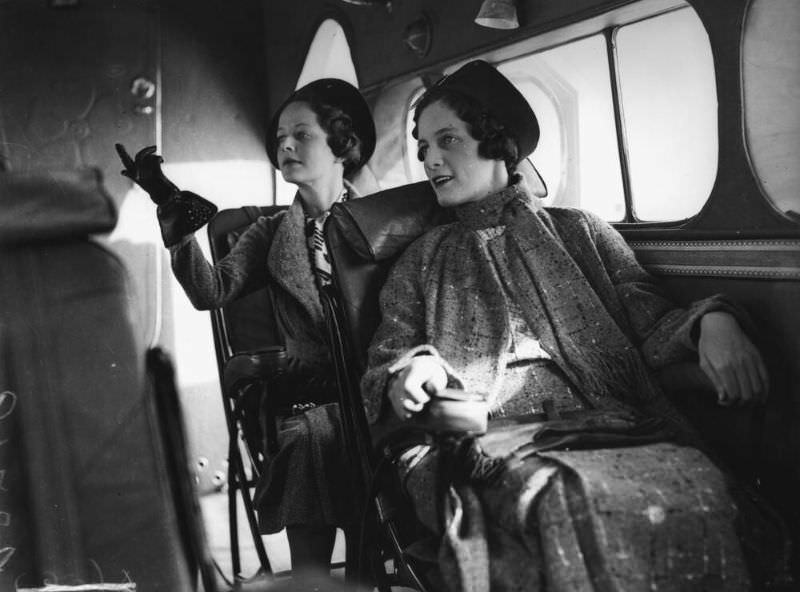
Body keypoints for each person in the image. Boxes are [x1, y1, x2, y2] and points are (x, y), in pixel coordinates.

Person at [361, 60, 790, 591]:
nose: (431, 159)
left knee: (700, 483)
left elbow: (652, 326)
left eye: (447, 139)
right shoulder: (421, 260)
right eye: (424, 147)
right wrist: (413, 367)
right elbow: (390, 355)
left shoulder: (582, 232)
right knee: (561, 497)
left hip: (611, 422)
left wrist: (715, 320)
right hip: (477, 435)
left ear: (498, 142)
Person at [116, 78, 376, 584]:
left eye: (302, 134)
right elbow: (209, 292)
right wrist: (176, 225)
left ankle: (373, 568)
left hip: (377, 386)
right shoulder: (271, 233)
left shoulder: (386, 218)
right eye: (281, 136)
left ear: (343, 145)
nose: (285, 145)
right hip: (312, 394)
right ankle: (311, 581)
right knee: (311, 437)